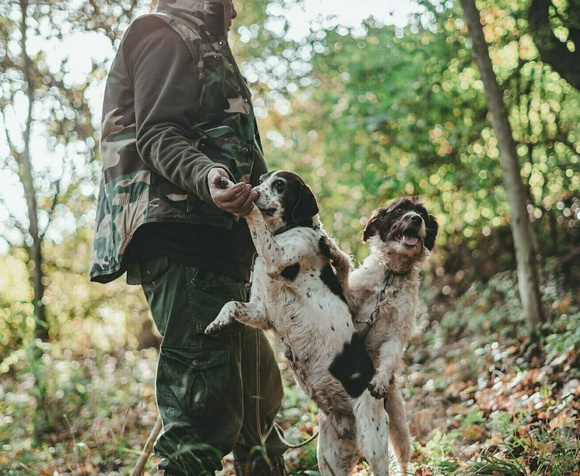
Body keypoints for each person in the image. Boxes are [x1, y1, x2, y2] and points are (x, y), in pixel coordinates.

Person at [89, 0, 287, 474]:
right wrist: (209, 177)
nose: (236, 11)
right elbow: (157, 133)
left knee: (259, 415)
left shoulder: (207, 45)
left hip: (225, 255)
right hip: (188, 247)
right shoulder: (163, 33)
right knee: (202, 423)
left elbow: (245, 156)